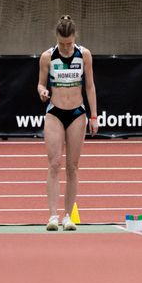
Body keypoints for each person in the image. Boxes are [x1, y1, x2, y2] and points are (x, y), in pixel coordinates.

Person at [35, 15, 97, 231]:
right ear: (57, 39)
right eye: (62, 43)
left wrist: (94, 116)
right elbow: (40, 84)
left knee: (72, 166)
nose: (66, 47)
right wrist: (42, 91)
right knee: (54, 164)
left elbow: (90, 86)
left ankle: (68, 216)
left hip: (77, 113)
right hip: (54, 113)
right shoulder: (47, 57)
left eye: (69, 43)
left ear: (74, 38)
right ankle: (52, 216)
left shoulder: (84, 55)